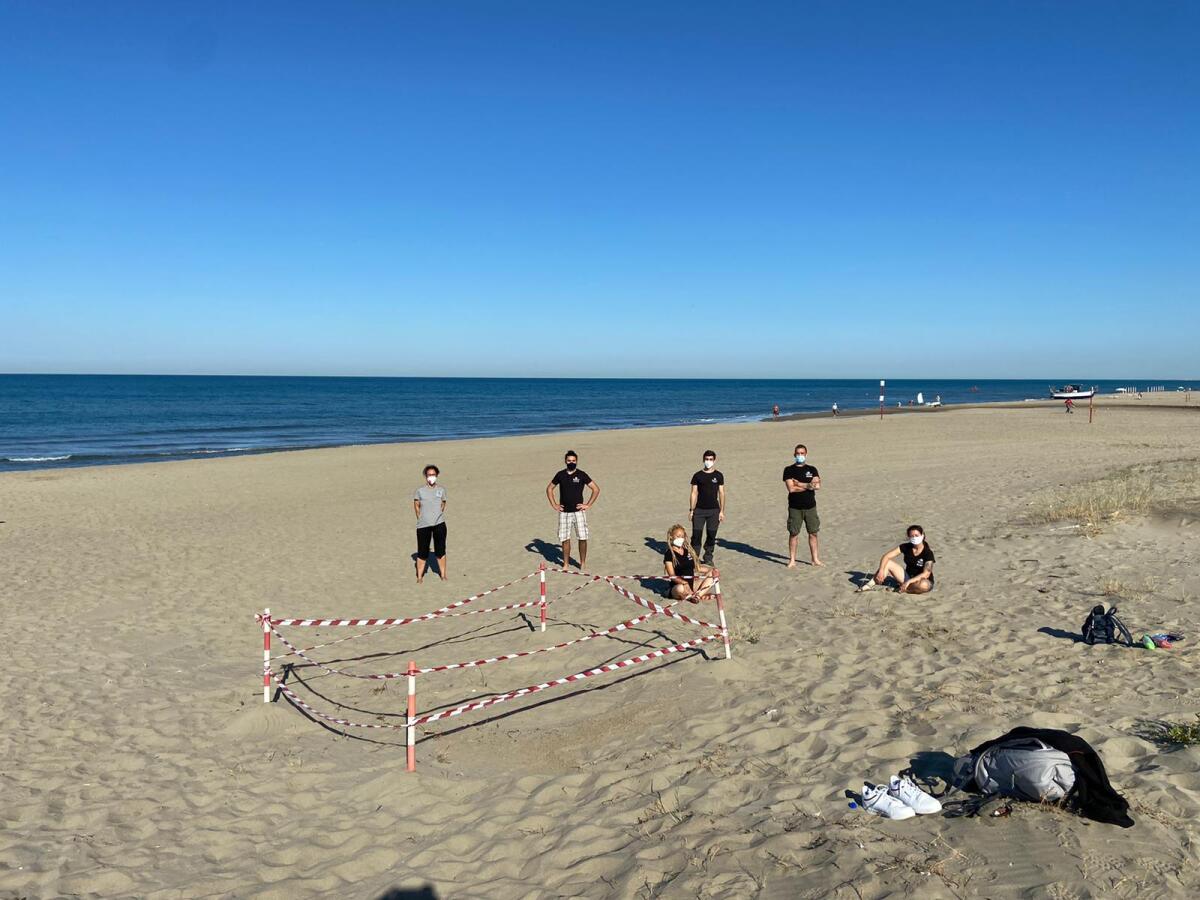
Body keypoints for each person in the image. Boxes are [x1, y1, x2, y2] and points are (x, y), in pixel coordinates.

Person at [547, 450, 600, 570]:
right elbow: (549, 489)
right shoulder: (560, 474)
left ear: (577, 461)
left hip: (579, 512)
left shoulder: (582, 474)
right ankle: (565, 564)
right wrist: (554, 504)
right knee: (565, 538)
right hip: (564, 512)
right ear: (565, 461)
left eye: (573, 461)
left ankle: (582, 563)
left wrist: (588, 504)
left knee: (582, 537)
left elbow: (596, 489)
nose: (571, 462)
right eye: (569, 460)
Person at [858, 525, 935, 594]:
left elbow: (926, 574)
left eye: (916, 535)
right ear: (909, 537)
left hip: (922, 580)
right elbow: (886, 556)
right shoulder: (906, 547)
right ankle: (869, 585)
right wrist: (881, 570)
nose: (914, 538)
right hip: (907, 577)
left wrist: (909, 582)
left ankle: (904, 589)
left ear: (922, 535)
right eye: (912, 536)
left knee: (924, 585)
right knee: (888, 563)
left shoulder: (928, 552)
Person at [783, 443, 822, 568]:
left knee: (813, 533)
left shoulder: (812, 469)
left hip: (810, 506)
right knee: (794, 533)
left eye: (802, 453)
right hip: (795, 507)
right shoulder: (789, 470)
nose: (800, 455)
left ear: (806, 454)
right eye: (798, 453)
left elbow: (817, 486)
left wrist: (799, 483)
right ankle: (792, 560)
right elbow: (791, 489)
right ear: (794, 455)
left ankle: (815, 559)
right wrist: (808, 486)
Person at [689, 450, 725, 565]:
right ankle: (694, 558)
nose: (708, 461)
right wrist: (691, 510)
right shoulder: (697, 476)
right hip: (699, 511)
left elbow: (721, 493)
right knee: (696, 535)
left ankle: (708, 557)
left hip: (714, 511)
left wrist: (722, 511)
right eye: (706, 459)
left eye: (710, 459)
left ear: (714, 460)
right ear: (703, 460)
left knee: (711, 535)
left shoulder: (718, 475)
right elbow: (694, 493)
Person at [663, 523, 715, 602]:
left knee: (713, 573)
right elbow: (672, 575)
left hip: (692, 584)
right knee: (680, 588)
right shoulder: (669, 554)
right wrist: (684, 583)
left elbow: (697, 568)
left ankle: (697, 596)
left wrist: (711, 570)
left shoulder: (687, 551)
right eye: (678, 536)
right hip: (678, 585)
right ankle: (690, 595)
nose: (681, 539)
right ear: (671, 537)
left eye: (682, 536)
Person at [413, 464, 448, 583]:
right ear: (425, 476)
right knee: (422, 552)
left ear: (437, 475)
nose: (431, 477)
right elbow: (416, 505)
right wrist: (420, 517)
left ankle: (443, 574)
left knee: (440, 551)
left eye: (433, 474)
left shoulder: (441, 490)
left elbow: (443, 503)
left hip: (439, 524)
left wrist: (437, 514)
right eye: (429, 475)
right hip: (423, 525)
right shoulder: (420, 491)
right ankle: (419, 577)